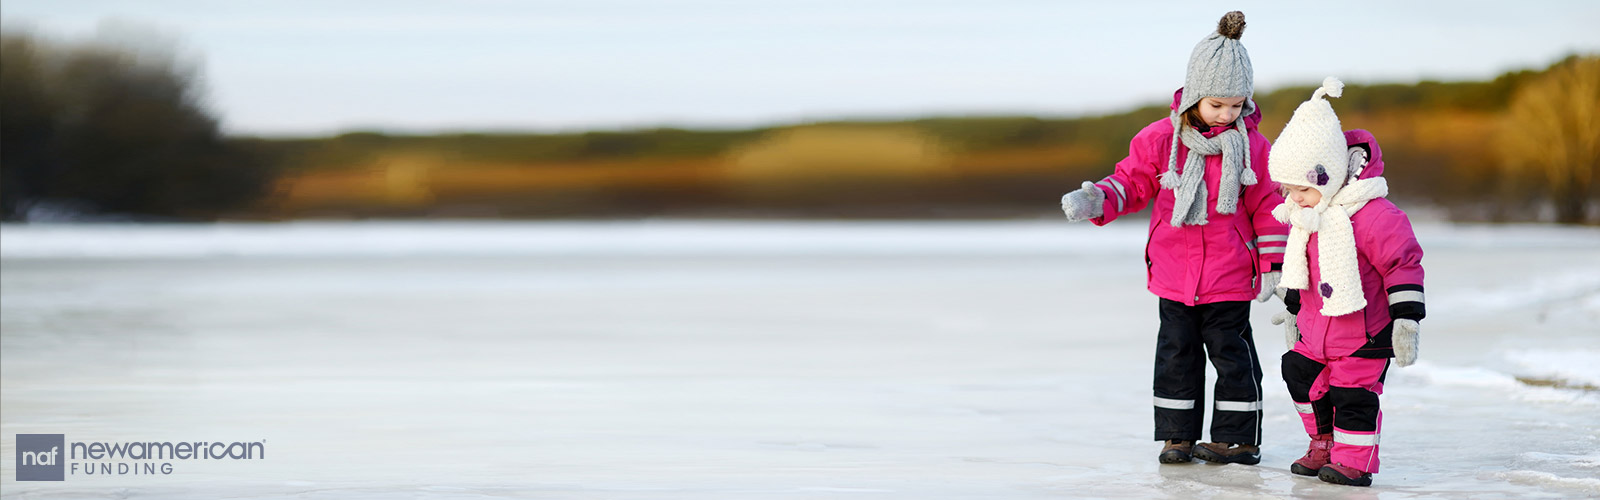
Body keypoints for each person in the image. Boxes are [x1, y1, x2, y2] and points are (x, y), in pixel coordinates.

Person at [1058, 11, 1289, 465]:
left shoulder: (1255, 148)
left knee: (1233, 357)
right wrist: (1097, 200)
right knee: (1176, 356)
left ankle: (1236, 438)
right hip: (1174, 273)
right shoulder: (1161, 140)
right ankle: (1177, 436)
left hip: (1229, 272)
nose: (1227, 115)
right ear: (1194, 96)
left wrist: (1272, 265)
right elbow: (1133, 182)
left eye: (1237, 105)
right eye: (1217, 105)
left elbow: (1268, 208)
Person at [1266, 77, 1426, 487]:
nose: (1293, 198)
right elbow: (1301, 270)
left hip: (1364, 332)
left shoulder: (1373, 215)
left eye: (1300, 188)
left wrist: (1406, 318)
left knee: (1353, 396)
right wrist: (1292, 312)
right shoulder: (1308, 218)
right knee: (1298, 373)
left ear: (1326, 175)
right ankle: (1323, 443)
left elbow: (1402, 263)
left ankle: (1354, 461)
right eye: (1287, 189)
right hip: (1317, 330)